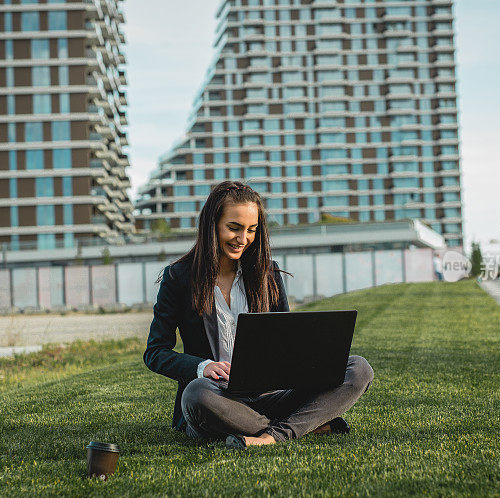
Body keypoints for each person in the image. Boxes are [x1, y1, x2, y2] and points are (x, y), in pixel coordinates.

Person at [143, 181, 374, 448]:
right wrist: (202, 367)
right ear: (212, 225)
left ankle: (271, 435)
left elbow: (288, 344)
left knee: (358, 368)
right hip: (219, 397)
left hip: (273, 394)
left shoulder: (269, 275)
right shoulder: (178, 277)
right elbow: (155, 352)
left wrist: (311, 358)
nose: (243, 240)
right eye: (234, 228)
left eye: (251, 230)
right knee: (195, 395)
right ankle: (303, 425)